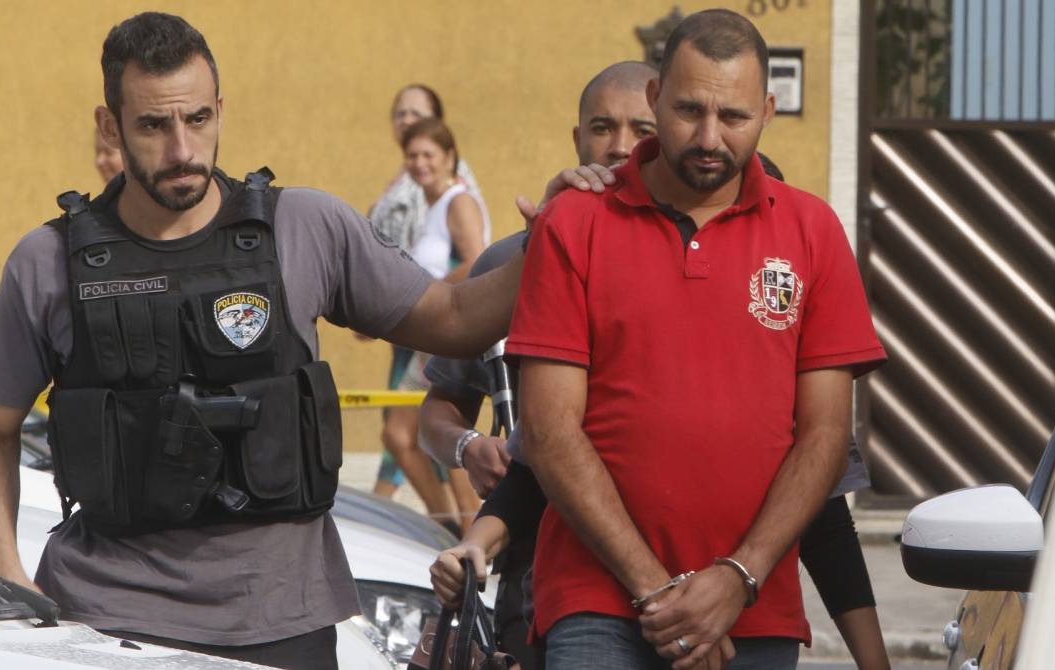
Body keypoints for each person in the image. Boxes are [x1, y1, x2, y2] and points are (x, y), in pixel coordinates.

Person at [0, 13, 526, 670]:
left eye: (198, 120)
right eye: (153, 125)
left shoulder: (306, 227)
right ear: (109, 125)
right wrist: (5, 570)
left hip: (284, 624)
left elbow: (455, 316)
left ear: (221, 109)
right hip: (104, 628)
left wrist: (560, 238)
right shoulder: (47, 261)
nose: (181, 150)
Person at [508, 10, 886, 670]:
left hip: (751, 608)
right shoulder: (575, 223)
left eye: (734, 117)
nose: (709, 137)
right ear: (656, 100)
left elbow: (825, 437)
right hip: (597, 601)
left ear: (768, 110)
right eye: (688, 111)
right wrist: (658, 590)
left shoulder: (813, 232)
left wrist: (738, 576)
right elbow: (547, 431)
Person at [422, 60, 658, 668]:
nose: (620, 145)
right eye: (602, 126)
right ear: (576, 138)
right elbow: (438, 411)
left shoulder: (679, 260)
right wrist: (469, 445)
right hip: (531, 573)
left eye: (641, 127)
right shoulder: (507, 261)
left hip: (668, 571)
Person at [368, 84, 487, 529]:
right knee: (402, 435)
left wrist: (427, 288)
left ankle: (470, 526)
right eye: (412, 156)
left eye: (428, 155)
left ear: (449, 156)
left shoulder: (458, 201)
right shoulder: (433, 204)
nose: (419, 164)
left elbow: (479, 260)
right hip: (426, 340)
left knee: (430, 436)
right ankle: (451, 524)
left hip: (446, 339)